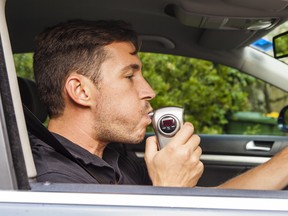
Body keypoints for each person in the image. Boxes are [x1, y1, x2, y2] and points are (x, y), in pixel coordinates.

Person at [31, 19, 288, 189]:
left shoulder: (112, 156)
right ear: (81, 91)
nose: (150, 91)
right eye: (130, 76)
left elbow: (215, 203)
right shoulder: (54, 182)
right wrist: (170, 190)